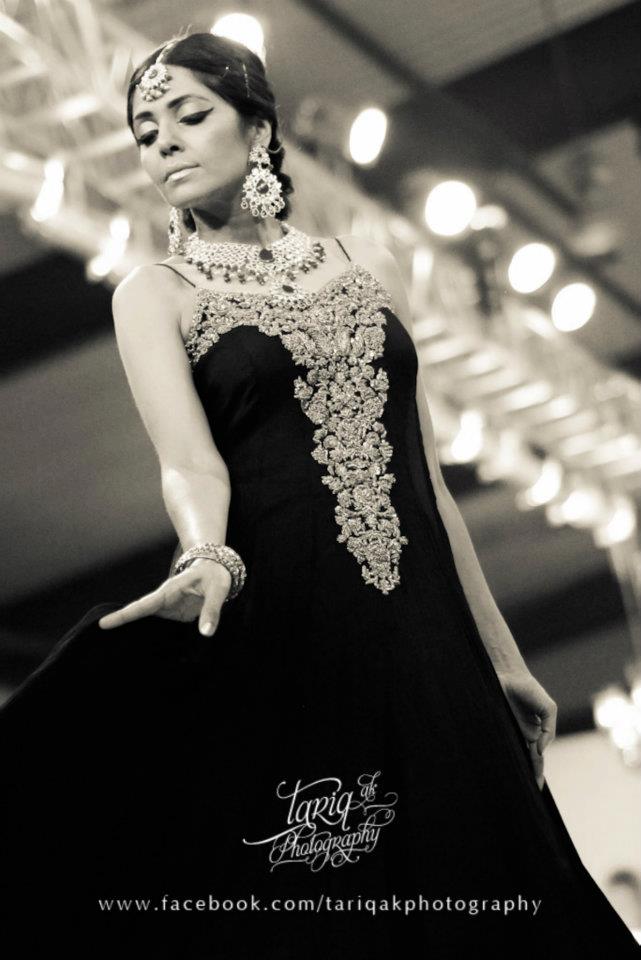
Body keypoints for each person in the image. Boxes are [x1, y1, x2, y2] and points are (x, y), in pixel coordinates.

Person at [0, 31, 639, 960]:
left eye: (189, 115)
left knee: (485, 878)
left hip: (423, 629)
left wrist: (500, 655)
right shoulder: (154, 293)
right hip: (284, 619)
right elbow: (191, 464)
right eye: (144, 131)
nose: (162, 141)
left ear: (258, 129)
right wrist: (206, 552)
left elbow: (424, 482)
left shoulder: (368, 264)